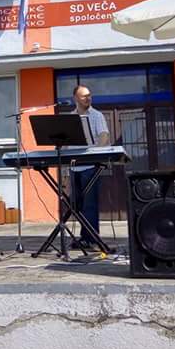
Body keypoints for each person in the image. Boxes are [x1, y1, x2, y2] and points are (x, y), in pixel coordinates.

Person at [69, 84, 110, 250]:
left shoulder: (97, 115)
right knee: (77, 205)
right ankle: (84, 237)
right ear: (75, 98)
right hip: (74, 167)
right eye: (84, 96)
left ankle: (92, 239)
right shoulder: (70, 117)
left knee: (90, 204)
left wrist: (95, 153)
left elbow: (104, 136)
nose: (88, 98)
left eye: (89, 95)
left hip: (90, 166)